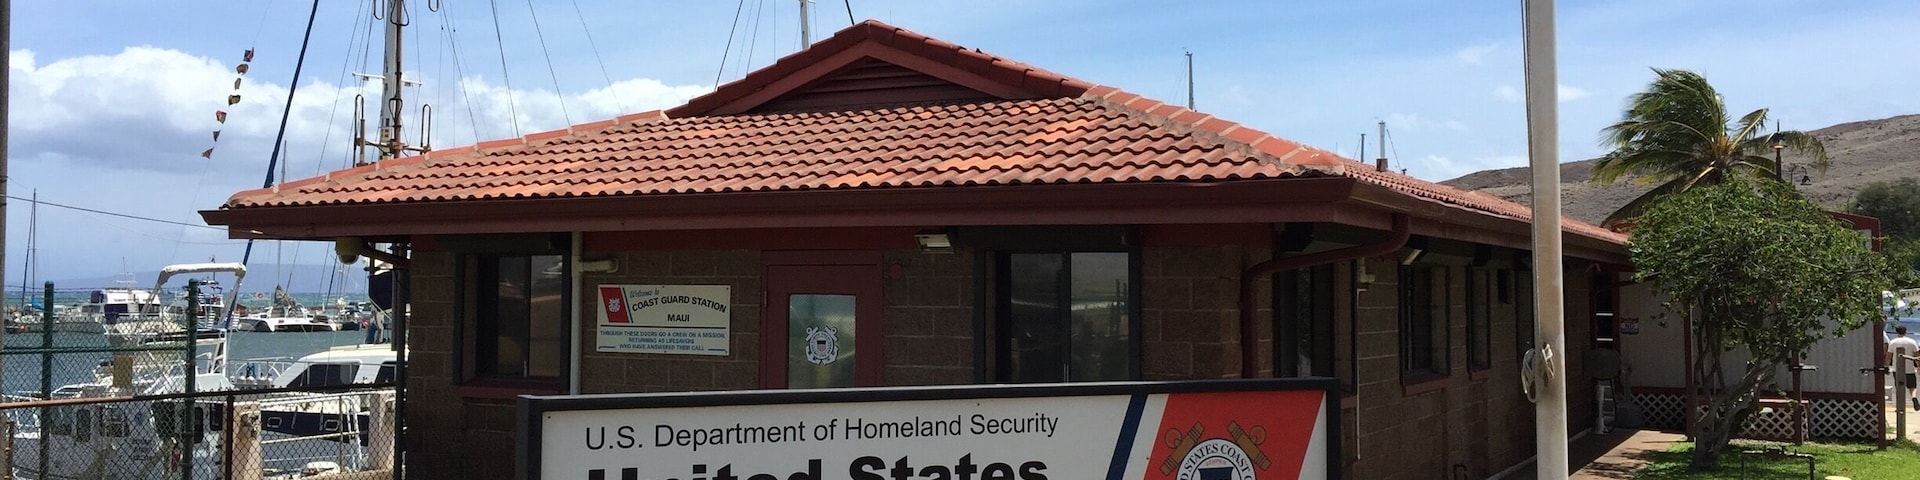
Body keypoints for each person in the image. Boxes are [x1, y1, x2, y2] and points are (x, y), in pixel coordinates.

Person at [1890, 325, 1920, 411]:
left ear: (1896, 332)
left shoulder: (1893, 342)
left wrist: (1886, 365)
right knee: (1912, 387)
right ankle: (1914, 398)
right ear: (1905, 331)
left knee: (1899, 388)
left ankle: (1899, 406)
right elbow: (1917, 355)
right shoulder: (1912, 342)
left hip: (1897, 369)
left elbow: (1889, 355)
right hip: (1909, 369)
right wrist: (1919, 366)